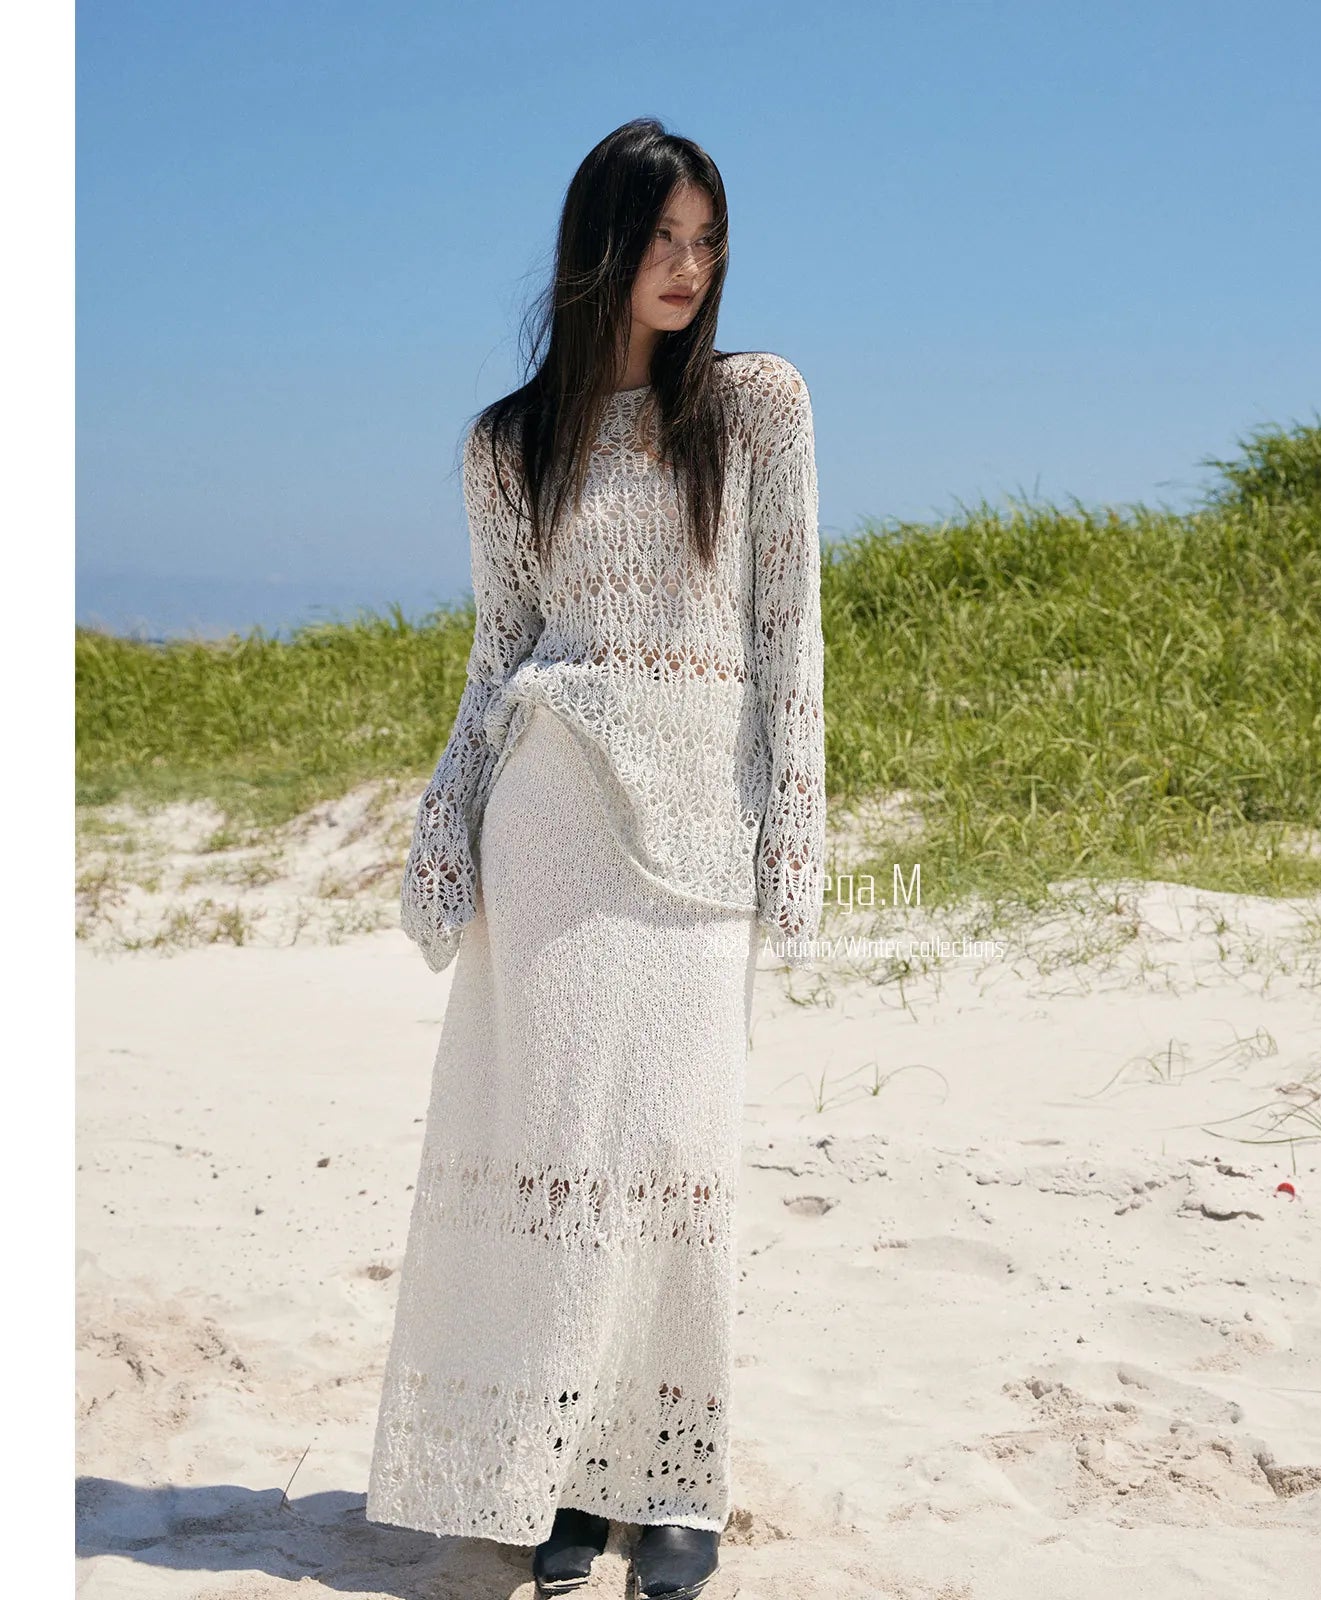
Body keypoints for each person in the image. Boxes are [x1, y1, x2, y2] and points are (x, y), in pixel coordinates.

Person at [364, 117, 826, 1600]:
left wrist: (796, 828)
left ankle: (674, 1483)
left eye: (708, 242)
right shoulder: (510, 444)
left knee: (677, 1155)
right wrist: (447, 815)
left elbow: (789, 636)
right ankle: (568, 1474)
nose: (689, 268)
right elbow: (502, 650)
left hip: (698, 837)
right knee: (564, 1152)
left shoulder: (756, 408)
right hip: (549, 821)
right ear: (601, 248)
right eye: (662, 240)